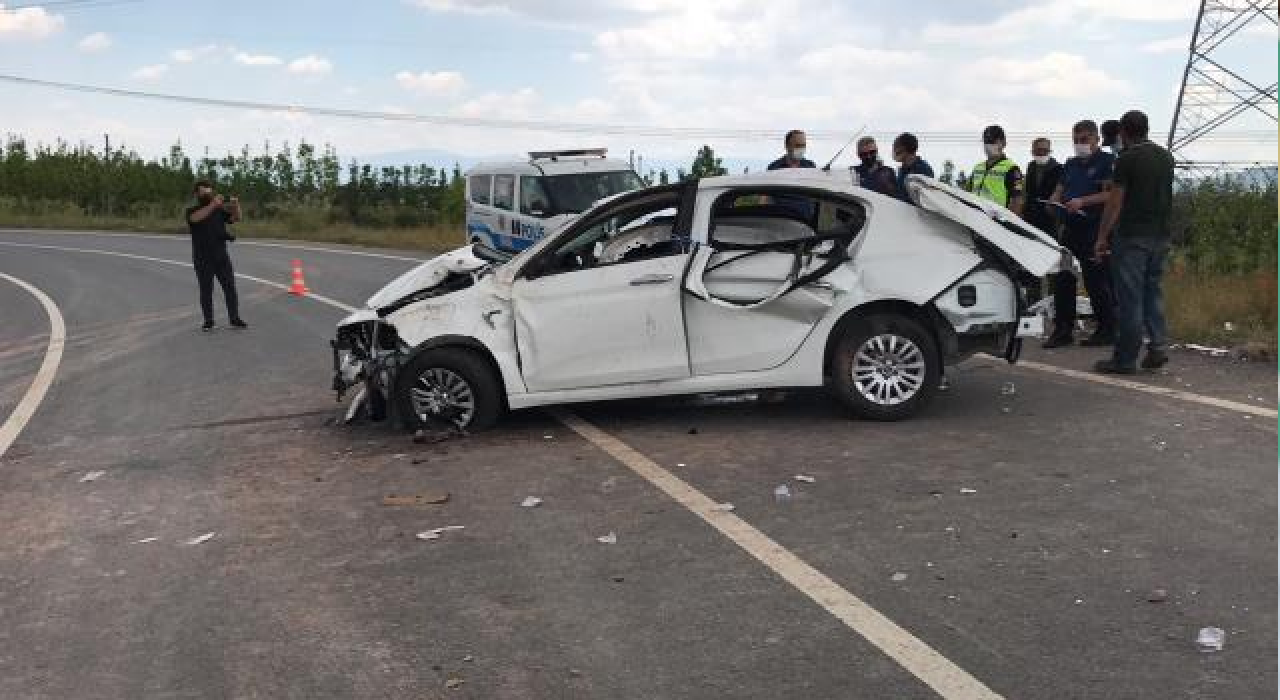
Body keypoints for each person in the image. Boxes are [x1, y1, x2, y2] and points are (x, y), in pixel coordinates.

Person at [1093, 110, 1175, 374]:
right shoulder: (1165, 156)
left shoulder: (1127, 160)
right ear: (1147, 129)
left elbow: (1115, 201)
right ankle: (1158, 348)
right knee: (1153, 293)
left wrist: (1102, 237)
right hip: (1160, 235)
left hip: (1132, 237)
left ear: (1123, 132)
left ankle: (1124, 359)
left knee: (1130, 300)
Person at [1043, 121, 1116, 348]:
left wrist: (1084, 201)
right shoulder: (1071, 164)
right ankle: (1063, 328)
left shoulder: (1107, 162)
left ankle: (1107, 328)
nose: (1079, 144)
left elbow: (1111, 195)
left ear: (1096, 140)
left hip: (1094, 229)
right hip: (1070, 228)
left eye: (1084, 139)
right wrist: (1053, 201)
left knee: (1096, 281)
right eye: (1076, 140)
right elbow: (1060, 189)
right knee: (1063, 278)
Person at [186, 180, 247, 332]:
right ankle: (208, 321)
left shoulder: (219, 210)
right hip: (202, 258)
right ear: (197, 194)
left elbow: (236, 218)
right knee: (206, 290)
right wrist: (214, 204)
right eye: (203, 190)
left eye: (209, 190)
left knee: (230, 288)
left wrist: (235, 205)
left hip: (221, 256)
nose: (207, 193)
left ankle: (234, 318)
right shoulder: (192, 210)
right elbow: (195, 219)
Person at [967, 125, 1025, 216]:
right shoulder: (977, 168)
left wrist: (1007, 225)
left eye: (993, 141)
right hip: (974, 220)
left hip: (996, 224)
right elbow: (968, 193)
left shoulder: (1012, 169)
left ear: (1003, 143)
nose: (989, 145)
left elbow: (1018, 202)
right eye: (986, 141)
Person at [891, 132, 934, 201]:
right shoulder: (902, 170)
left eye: (895, 147)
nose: (893, 152)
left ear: (903, 149)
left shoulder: (923, 169)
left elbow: (925, 199)